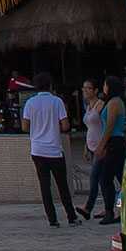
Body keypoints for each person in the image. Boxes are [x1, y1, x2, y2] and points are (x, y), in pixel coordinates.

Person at [22, 71, 79, 227]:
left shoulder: (30, 103)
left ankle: (52, 220)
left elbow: (25, 126)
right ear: (51, 86)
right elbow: (66, 125)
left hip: (37, 150)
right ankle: (71, 217)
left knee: (45, 186)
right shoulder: (57, 102)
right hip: (54, 149)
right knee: (62, 186)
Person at [91, 76, 126, 224]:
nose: (104, 87)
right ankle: (121, 209)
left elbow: (109, 126)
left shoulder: (114, 103)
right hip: (115, 142)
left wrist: (101, 145)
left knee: (105, 178)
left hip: (114, 143)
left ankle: (110, 211)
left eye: (105, 85)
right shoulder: (113, 102)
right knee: (121, 180)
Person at [77, 78, 104, 220]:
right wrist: (86, 147)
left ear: (95, 91)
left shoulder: (101, 105)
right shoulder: (88, 107)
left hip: (101, 146)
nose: (85, 91)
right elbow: (89, 128)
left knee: (95, 176)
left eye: (88, 88)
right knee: (103, 179)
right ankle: (108, 207)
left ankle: (88, 207)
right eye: (84, 88)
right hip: (92, 145)